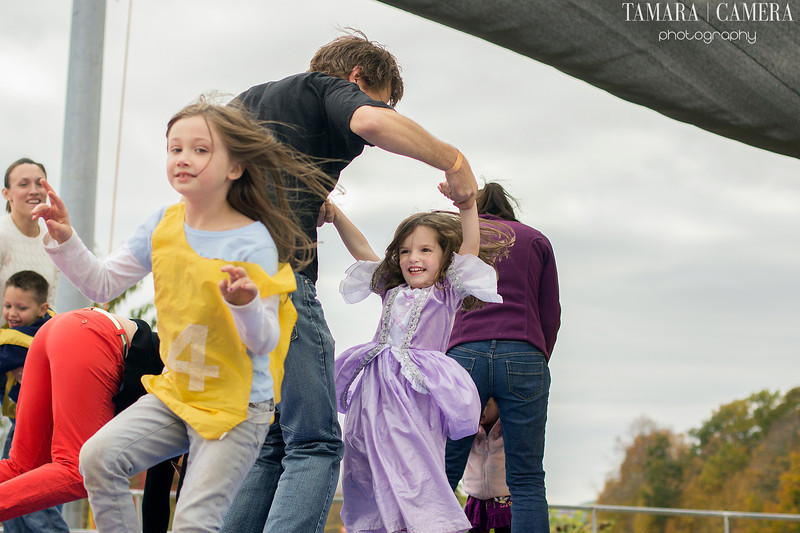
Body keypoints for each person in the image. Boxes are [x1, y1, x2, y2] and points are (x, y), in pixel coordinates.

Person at [32, 98, 329, 533]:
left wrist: (245, 304)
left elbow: (265, 340)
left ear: (235, 167)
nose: (183, 158)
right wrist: (66, 239)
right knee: (98, 458)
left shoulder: (254, 242)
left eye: (200, 150)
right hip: (178, 393)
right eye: (175, 149)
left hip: (237, 408)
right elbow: (101, 284)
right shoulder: (163, 223)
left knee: (194, 521)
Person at [224, 29, 479, 533]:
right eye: (377, 98)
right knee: (315, 443)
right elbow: (369, 120)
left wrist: (311, 199)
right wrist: (455, 162)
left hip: (222, 284)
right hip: (278, 279)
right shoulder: (328, 88)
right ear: (357, 78)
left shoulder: (247, 103)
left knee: (272, 442)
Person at [320, 193, 508, 533]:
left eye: (425, 250)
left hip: (416, 392)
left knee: (413, 460)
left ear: (445, 257)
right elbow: (362, 249)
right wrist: (336, 215)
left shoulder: (446, 291)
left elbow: (469, 249)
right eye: (405, 251)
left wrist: (467, 207)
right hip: (375, 388)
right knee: (363, 456)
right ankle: (377, 524)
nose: (413, 258)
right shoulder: (390, 288)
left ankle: (423, 524)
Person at [444, 182, 561, 533]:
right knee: (526, 479)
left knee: (443, 471)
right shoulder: (536, 240)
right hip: (524, 350)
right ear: (509, 209)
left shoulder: (458, 239)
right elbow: (550, 314)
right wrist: (536, 359)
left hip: (464, 353)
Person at [0, 158, 59, 324]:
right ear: (6, 194)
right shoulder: (2, 235)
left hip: (34, 339)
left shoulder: (52, 241)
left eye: (40, 184)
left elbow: (49, 307)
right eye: (23, 184)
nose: (33, 191)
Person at [461, 398, 512, 533]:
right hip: (476, 496)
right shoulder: (471, 429)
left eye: (486, 405)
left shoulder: (507, 428)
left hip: (504, 497)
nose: (481, 409)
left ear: (498, 405)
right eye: (478, 405)